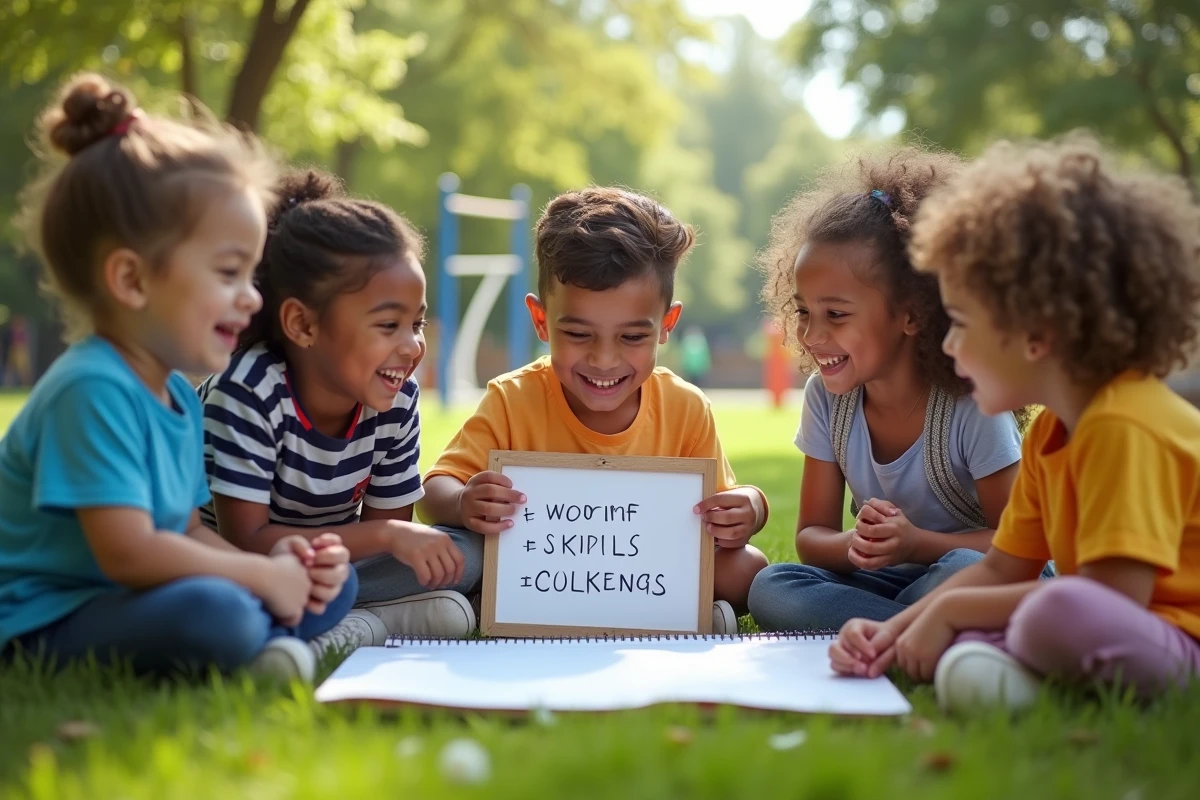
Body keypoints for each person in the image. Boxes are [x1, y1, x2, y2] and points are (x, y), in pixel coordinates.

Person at [0, 74, 355, 681]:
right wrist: (259, 576)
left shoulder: (179, 400)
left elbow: (188, 530)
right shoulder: (91, 389)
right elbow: (129, 552)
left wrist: (282, 564)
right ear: (132, 280)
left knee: (333, 582)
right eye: (228, 273)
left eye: (252, 276)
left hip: (133, 598)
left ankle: (263, 639)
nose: (252, 299)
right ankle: (258, 640)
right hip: (44, 618)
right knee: (218, 612)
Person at [830, 136, 1200, 713]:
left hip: (1177, 639)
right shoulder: (1052, 432)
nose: (947, 345)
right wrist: (895, 630)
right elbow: (1004, 566)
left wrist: (951, 610)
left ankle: (1032, 674)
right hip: (1111, 630)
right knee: (999, 622)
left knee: (1052, 610)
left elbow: (1111, 598)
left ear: (1035, 334)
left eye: (960, 322)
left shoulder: (1123, 424)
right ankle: (1026, 679)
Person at [418, 188, 769, 631]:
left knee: (748, 567)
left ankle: (680, 609)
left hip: (647, 572)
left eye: (632, 337)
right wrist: (463, 501)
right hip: (537, 570)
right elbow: (433, 491)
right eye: (579, 335)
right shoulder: (512, 398)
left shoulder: (686, 407)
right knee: (453, 550)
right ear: (542, 320)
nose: (604, 360)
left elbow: (721, 507)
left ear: (666, 325)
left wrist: (752, 507)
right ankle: (490, 603)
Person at [747, 149, 1025, 632]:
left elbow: (1017, 546)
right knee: (772, 586)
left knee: (961, 569)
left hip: (979, 576)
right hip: (892, 583)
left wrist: (917, 544)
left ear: (912, 314)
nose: (811, 334)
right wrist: (857, 545)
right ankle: (919, 632)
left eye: (836, 314)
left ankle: (897, 632)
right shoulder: (826, 399)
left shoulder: (972, 403)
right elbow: (813, 537)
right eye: (804, 311)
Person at [200, 169, 481, 639]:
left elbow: (386, 542)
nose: (413, 346)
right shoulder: (248, 391)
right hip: (240, 567)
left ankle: (356, 618)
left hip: (336, 565)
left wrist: (393, 540)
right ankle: (368, 619)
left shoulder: (395, 397)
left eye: (416, 324)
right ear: (303, 325)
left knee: (470, 554)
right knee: (318, 579)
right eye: (388, 325)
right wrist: (385, 537)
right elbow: (248, 542)